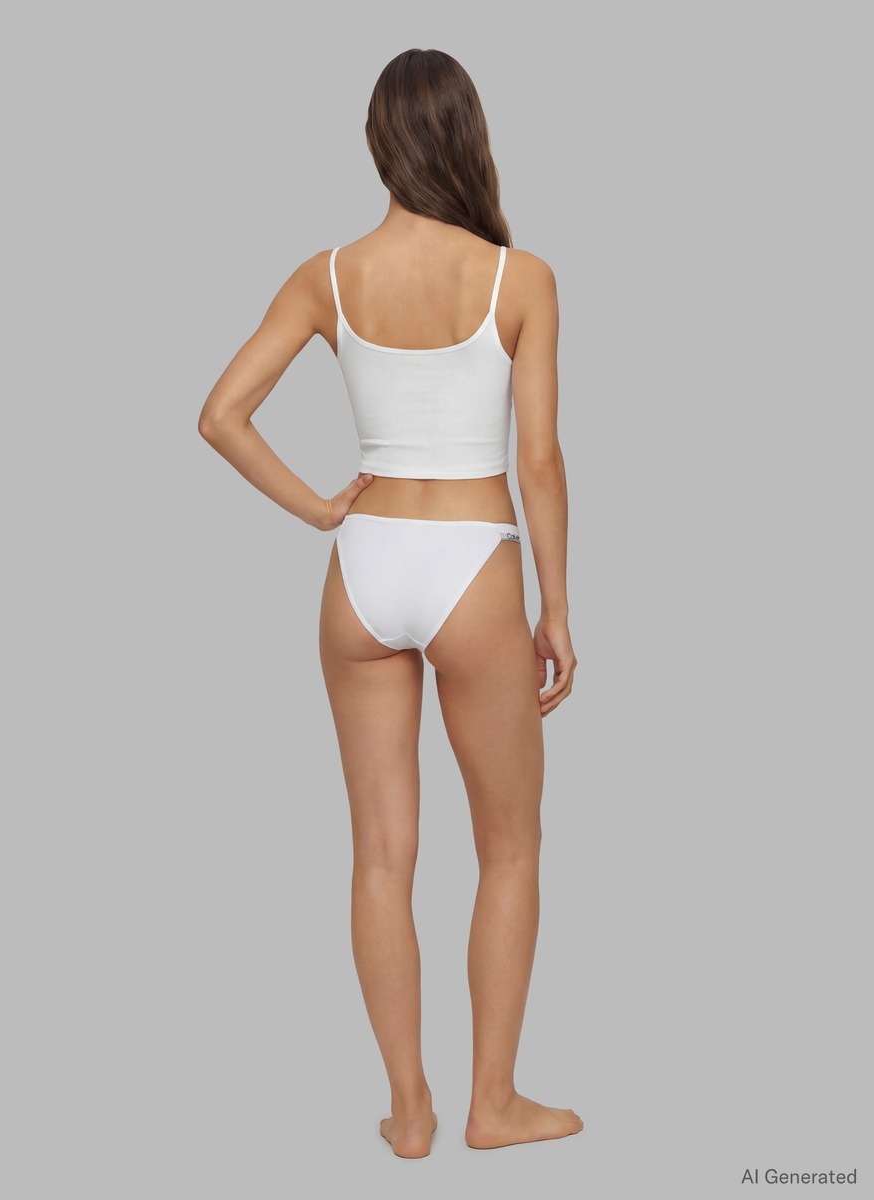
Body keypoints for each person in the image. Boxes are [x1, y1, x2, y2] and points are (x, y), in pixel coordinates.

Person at [198, 47, 581, 1159]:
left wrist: (322, 510)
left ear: (379, 145)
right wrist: (557, 607)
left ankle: (409, 1111)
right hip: (474, 568)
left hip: (363, 570)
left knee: (379, 853)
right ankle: (492, 1105)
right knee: (509, 847)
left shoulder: (328, 275)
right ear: (469, 137)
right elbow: (540, 460)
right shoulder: (521, 279)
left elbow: (221, 414)